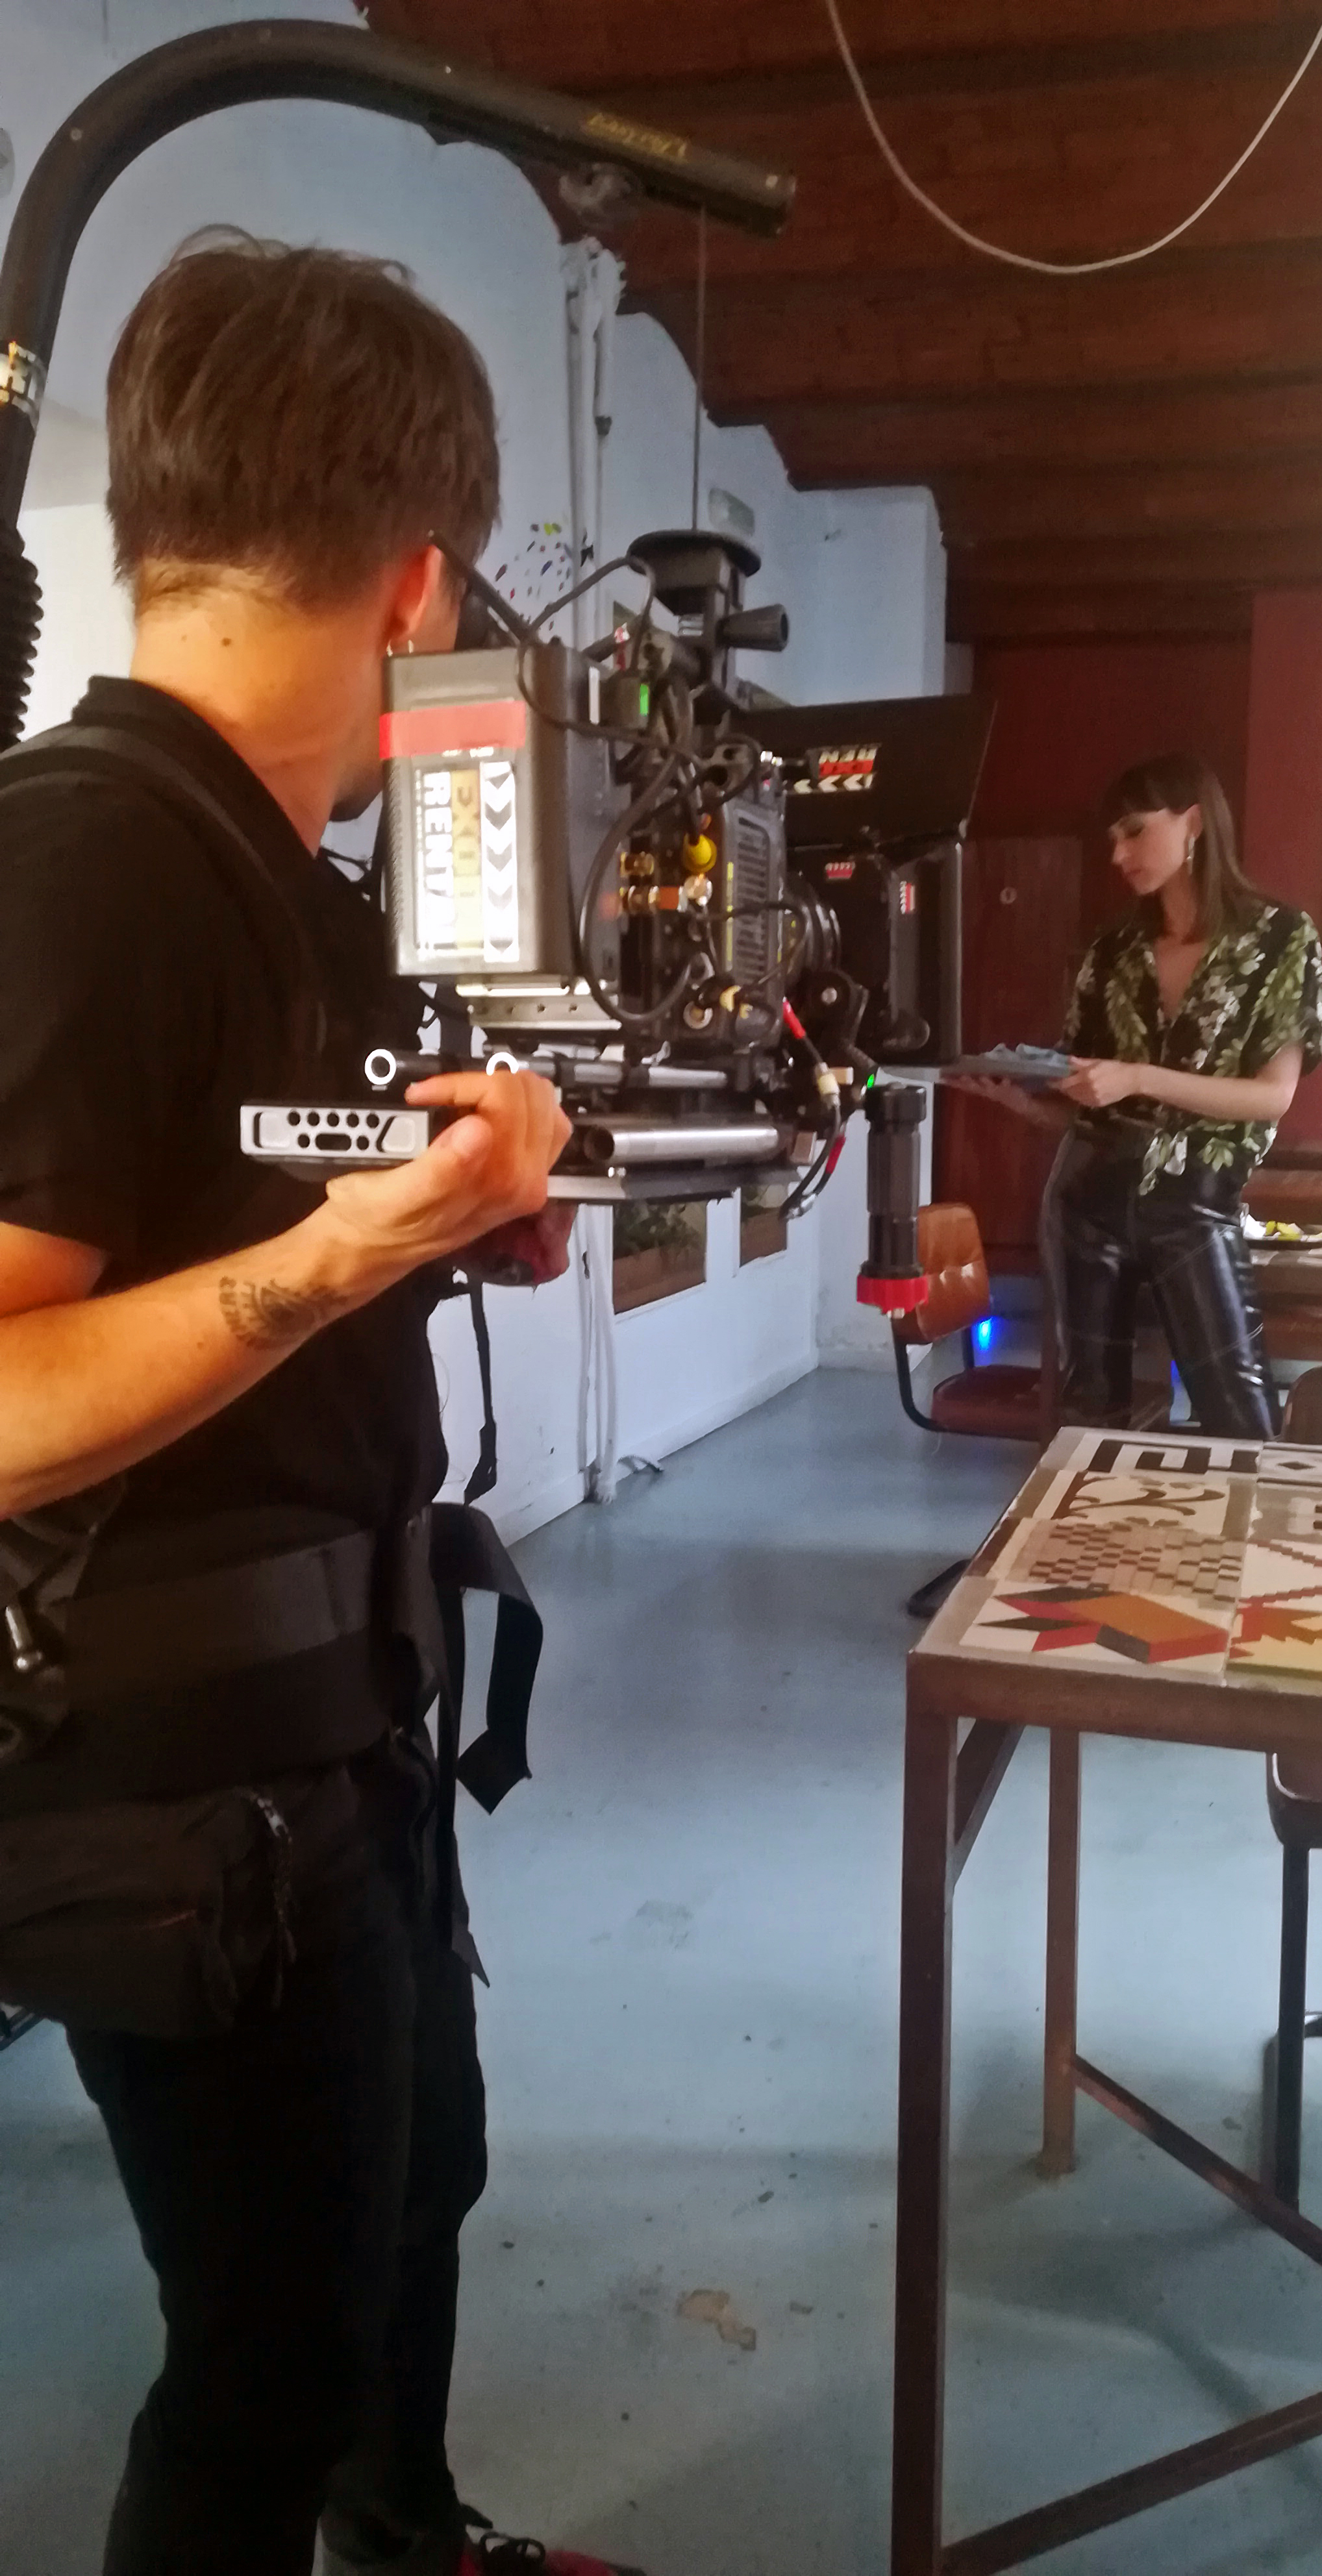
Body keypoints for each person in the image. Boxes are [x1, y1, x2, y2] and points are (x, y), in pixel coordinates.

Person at [0, 236, 636, 2576]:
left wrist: (452, 1231)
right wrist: (347, 1256)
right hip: (178, 1792)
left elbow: (239, 1222)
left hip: (346, 1722)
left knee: (412, 2187)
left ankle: (406, 2529)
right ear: (417, 582)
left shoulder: (295, 888)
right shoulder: (84, 858)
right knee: (257, 2355)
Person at [960, 752, 1322, 1437]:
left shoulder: (1281, 937)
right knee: (1086, 1419)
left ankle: (1228, 1518)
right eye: (1112, 839)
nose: (1118, 855)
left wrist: (1135, 1076)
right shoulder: (1112, 949)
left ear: (1193, 824)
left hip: (1195, 1204)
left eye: (1134, 831)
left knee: (1240, 1418)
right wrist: (1024, 1102)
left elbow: (1270, 1097)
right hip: (1086, 1197)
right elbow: (1089, 1105)